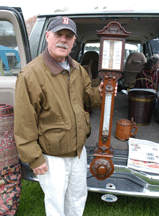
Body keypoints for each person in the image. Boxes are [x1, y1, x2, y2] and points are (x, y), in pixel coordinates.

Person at [14, 16, 116, 216]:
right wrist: (35, 159)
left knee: (77, 198)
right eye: (58, 34)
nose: (64, 39)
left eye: (69, 36)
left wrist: (101, 92)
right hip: (52, 156)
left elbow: (88, 99)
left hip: (78, 151)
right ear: (47, 36)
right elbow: (24, 122)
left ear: (74, 41)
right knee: (56, 205)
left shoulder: (78, 69)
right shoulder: (30, 74)